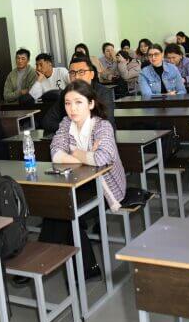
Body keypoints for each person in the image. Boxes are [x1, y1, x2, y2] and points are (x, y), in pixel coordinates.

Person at [39, 81, 126, 278]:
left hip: (107, 188)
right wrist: (86, 156)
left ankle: (42, 258)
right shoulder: (65, 124)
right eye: (68, 103)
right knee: (61, 209)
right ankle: (83, 267)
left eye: (78, 102)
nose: (72, 108)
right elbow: (56, 154)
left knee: (63, 212)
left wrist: (74, 152)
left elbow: (102, 158)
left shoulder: (102, 126)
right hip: (79, 184)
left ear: (91, 103)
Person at [41, 54, 116, 134]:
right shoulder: (66, 93)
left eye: (81, 72)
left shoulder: (103, 93)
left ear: (92, 74)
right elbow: (47, 122)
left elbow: (107, 124)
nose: (76, 77)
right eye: (72, 73)